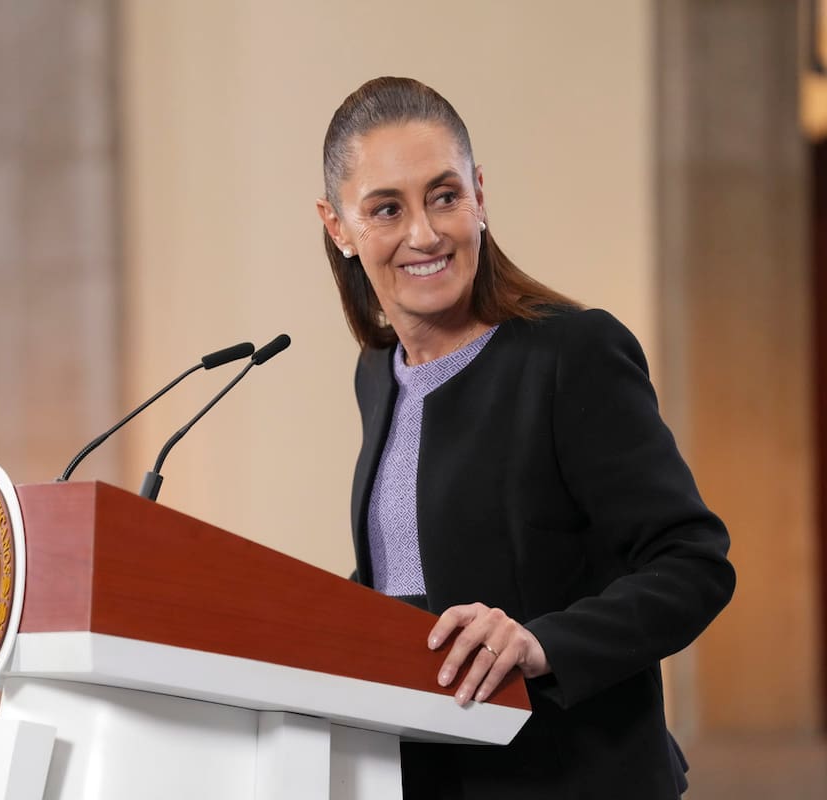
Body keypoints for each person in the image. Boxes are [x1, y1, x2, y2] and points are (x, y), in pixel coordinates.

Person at [314, 77, 734, 799]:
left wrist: (542, 643)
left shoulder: (572, 355)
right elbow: (412, 577)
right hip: (425, 776)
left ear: (479, 194)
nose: (425, 233)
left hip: (574, 777)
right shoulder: (378, 374)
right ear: (338, 227)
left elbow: (694, 563)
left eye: (445, 196)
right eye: (387, 208)